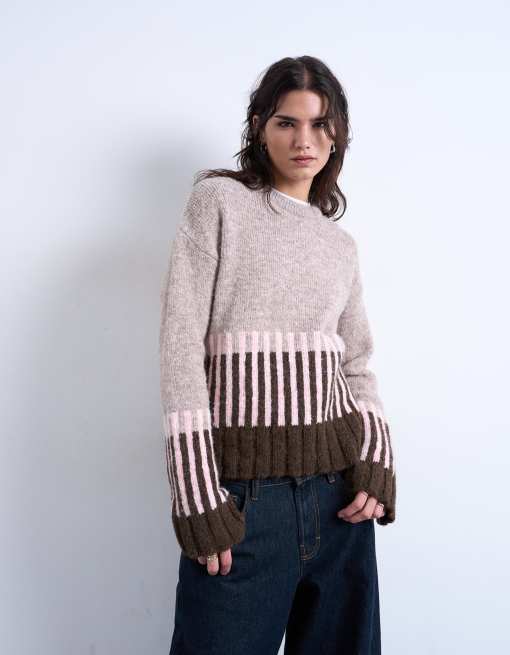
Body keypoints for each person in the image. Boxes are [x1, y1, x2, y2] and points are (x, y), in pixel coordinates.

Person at [159, 55, 396, 655]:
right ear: (260, 127)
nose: (303, 140)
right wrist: (196, 494)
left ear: (337, 135)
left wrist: (376, 460)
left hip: (340, 500)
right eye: (287, 122)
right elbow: (181, 346)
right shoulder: (218, 203)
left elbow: (356, 362)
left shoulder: (338, 244)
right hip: (244, 505)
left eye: (320, 124)